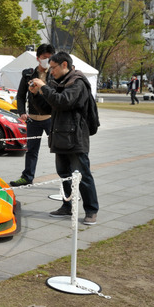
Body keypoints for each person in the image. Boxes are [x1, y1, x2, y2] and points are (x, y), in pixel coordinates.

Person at [29, 51, 99, 225]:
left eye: (53, 68)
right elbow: (47, 107)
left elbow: (64, 101)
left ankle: (91, 210)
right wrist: (36, 94)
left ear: (64, 65)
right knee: (64, 174)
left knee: (82, 175)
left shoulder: (78, 83)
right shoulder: (57, 82)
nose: (51, 71)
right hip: (60, 135)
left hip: (75, 137)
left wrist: (44, 87)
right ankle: (67, 206)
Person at [9, 44, 55, 187]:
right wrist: (22, 112)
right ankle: (27, 177)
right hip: (33, 120)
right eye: (44, 58)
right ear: (37, 58)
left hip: (51, 119)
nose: (47, 60)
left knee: (59, 148)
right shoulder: (28, 74)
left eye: (49, 58)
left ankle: (68, 178)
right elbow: (21, 95)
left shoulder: (55, 74)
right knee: (31, 150)